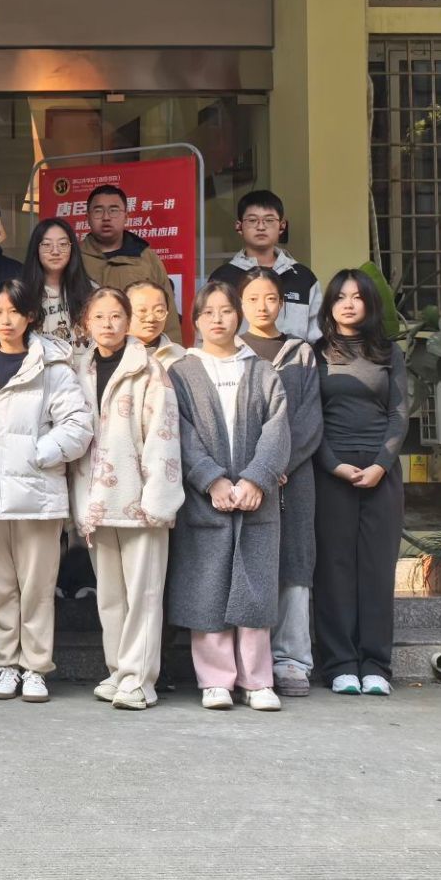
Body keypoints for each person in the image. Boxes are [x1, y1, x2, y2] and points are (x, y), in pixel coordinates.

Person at [166, 280, 291, 714]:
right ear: (195, 321)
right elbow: (179, 433)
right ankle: (215, 680)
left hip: (257, 499)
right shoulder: (182, 372)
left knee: (255, 588)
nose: (217, 319)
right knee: (207, 587)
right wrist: (212, 479)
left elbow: (278, 429)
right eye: (208, 312)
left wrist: (257, 479)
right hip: (205, 498)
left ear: (238, 316)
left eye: (225, 310)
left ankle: (257, 680)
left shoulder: (262, 370)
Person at [0, 280, 92, 704]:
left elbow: (78, 426)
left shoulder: (53, 367)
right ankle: (7, 665)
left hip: (37, 496)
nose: (6, 320)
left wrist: (38, 454)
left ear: (31, 316)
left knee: (37, 588)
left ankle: (35, 668)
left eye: (14, 312)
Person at [68, 286, 183, 710]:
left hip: (140, 500)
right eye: (99, 317)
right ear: (86, 323)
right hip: (97, 501)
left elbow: (164, 438)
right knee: (111, 596)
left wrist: (159, 500)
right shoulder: (78, 369)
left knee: (144, 596)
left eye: (116, 316)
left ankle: (140, 679)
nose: (108, 324)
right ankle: (118, 671)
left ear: (127, 321)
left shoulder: (149, 369)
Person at [313, 269, 409, 698]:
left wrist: (381, 464)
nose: (348, 304)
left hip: (380, 472)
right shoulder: (314, 353)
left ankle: (375, 665)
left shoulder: (389, 352)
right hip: (331, 472)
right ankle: (339, 664)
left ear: (369, 304)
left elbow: (399, 414)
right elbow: (309, 418)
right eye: (340, 297)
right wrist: (333, 464)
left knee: (376, 569)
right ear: (329, 305)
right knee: (334, 568)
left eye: (357, 297)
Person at [239, 267, 323, 697]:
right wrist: (256, 470)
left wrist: (278, 464)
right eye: (253, 298)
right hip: (243, 477)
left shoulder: (302, 352)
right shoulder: (229, 351)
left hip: (293, 477)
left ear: (282, 303)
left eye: (270, 298)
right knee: (247, 562)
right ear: (241, 303)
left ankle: (292, 660)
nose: (262, 306)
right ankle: (247, 662)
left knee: (294, 561)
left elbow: (309, 418)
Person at [212, 189, 322, 343]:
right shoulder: (222, 279)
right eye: (252, 220)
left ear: (282, 226)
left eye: (269, 220)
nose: (261, 227)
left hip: (295, 358)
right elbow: (208, 335)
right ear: (239, 226)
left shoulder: (303, 278)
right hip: (240, 358)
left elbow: (317, 337)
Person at [77, 184, 171, 296]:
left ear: (126, 217)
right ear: (87, 218)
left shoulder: (147, 257)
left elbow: (166, 303)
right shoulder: (74, 258)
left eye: (114, 210)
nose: (106, 217)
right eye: (98, 211)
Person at [20, 217, 95, 347]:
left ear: (72, 248)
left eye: (63, 244)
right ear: (36, 249)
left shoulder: (92, 291)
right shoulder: (21, 294)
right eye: (46, 245)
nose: (55, 251)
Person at [126, 278, 185, 367]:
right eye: (142, 310)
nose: (151, 318)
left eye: (159, 311)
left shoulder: (181, 356)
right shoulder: (109, 353)